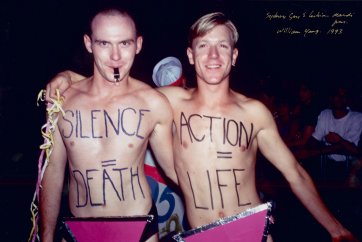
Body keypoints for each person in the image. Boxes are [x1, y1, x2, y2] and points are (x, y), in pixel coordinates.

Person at [45, 12, 357, 241]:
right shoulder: (167, 101)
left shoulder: (254, 112)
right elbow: (115, 84)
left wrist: (337, 229)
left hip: (252, 230)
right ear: (190, 56)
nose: (212, 55)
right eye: (204, 46)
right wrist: (67, 77)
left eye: (222, 46)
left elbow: (296, 173)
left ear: (234, 56)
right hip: (200, 235)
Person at [39, 7, 176, 242]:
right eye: (104, 44)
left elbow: (177, 171)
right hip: (78, 229)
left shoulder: (153, 103)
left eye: (124, 43)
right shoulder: (62, 101)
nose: (115, 56)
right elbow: (52, 171)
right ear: (88, 43)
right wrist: (47, 234)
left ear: (138, 44)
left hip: (139, 227)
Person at [302, 84, 362, 181]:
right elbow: (313, 141)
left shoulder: (357, 117)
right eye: (337, 95)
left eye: (343, 96)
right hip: (327, 164)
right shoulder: (325, 114)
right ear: (331, 98)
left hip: (350, 167)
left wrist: (337, 141)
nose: (340, 98)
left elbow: (351, 148)